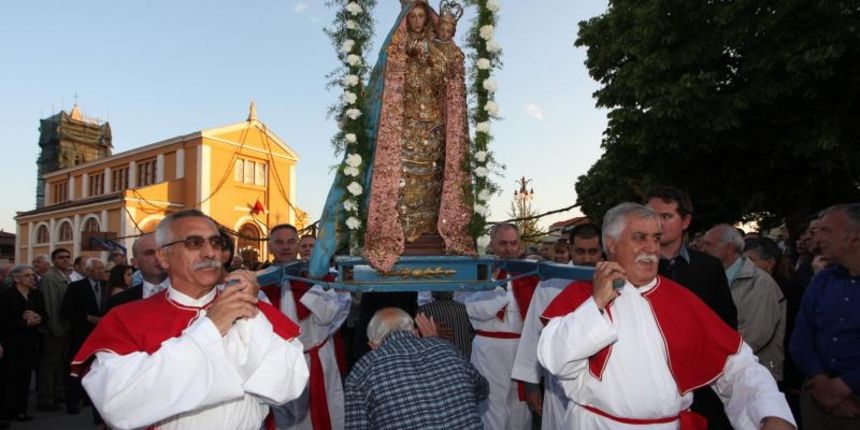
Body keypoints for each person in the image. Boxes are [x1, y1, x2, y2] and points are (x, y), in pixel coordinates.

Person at [537, 203, 796, 429]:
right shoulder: (581, 295)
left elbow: (738, 365)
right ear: (611, 245)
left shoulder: (682, 301)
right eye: (639, 237)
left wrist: (770, 412)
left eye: (656, 238)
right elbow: (553, 358)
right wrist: (596, 304)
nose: (651, 248)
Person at [71, 209, 309, 430]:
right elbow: (118, 404)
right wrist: (211, 329)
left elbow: (288, 384)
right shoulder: (125, 318)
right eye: (194, 242)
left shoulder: (255, 310)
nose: (210, 252)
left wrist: (247, 319)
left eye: (216, 242)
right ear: (163, 257)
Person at [310, 0, 473, 276]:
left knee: (432, 177)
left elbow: (449, 74)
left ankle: (431, 230)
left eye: (423, 16)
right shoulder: (396, 49)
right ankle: (395, 228)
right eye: (415, 16)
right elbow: (381, 90)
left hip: (432, 124)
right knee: (402, 179)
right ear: (406, 19)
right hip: (402, 126)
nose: (419, 21)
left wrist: (443, 53)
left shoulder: (440, 49)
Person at [645, 186, 739, 429]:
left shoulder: (709, 268)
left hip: (702, 385)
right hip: (646, 382)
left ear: (685, 221)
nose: (656, 223)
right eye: (651, 216)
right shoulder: (634, 267)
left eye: (666, 216)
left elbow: (726, 323)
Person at [258, 223, 350, 430]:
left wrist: (311, 284)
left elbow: (334, 314)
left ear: (298, 245)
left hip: (317, 357)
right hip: (278, 362)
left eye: (291, 241)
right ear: (270, 247)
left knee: (324, 411)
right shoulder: (259, 281)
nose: (285, 247)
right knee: (283, 416)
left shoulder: (321, 275)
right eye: (279, 242)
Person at [512, 223, 603, 429]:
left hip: (602, 381)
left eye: (593, 252)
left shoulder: (612, 281)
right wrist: (532, 384)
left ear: (602, 249)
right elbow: (533, 333)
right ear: (570, 250)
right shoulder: (550, 283)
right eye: (580, 251)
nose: (587, 258)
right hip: (559, 386)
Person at [344, 308, 488, 429]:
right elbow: (483, 390)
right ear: (415, 332)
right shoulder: (447, 348)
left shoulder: (363, 370)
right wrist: (437, 344)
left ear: (373, 345)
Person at [458, 223, 537, 429]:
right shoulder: (479, 273)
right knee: (492, 405)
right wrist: (499, 287)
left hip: (522, 348)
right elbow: (474, 310)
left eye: (513, 243)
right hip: (489, 349)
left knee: (520, 406)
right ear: (492, 245)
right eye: (503, 243)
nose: (509, 249)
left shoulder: (530, 275)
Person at [790, 203, 860, 429]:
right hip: (816, 396)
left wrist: (845, 384)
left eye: (826, 231)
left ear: (854, 238)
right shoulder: (823, 279)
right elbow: (801, 336)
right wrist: (820, 382)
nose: (817, 239)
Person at [702, 224, 787, 382]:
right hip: (723, 372)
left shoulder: (760, 283)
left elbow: (754, 336)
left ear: (729, 247)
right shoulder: (710, 278)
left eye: (709, 244)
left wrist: (709, 358)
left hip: (754, 376)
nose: (703, 249)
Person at [62, 257, 109, 415]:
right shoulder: (76, 287)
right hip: (81, 333)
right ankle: (73, 401)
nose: (103, 272)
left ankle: (90, 398)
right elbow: (66, 310)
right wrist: (88, 317)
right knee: (77, 366)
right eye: (99, 269)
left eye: (103, 268)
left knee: (96, 367)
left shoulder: (106, 286)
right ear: (88, 272)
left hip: (102, 334)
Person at [0, 265, 46, 424]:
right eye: (27, 275)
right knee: (9, 378)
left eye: (33, 275)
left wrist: (37, 318)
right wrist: (23, 321)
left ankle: (21, 410)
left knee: (25, 378)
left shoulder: (37, 295)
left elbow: (44, 316)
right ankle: (5, 414)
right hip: (12, 343)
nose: (32, 278)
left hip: (31, 342)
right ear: (16, 278)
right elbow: (3, 320)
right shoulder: (6, 296)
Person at [36, 247, 72, 411]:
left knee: (60, 362)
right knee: (50, 364)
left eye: (67, 257)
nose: (65, 260)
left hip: (64, 327)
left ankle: (58, 393)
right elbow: (50, 305)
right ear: (53, 261)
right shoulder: (50, 278)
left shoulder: (65, 277)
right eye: (60, 257)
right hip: (55, 328)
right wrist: (54, 328)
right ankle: (46, 398)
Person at [105, 233, 170, 312]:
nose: (158, 257)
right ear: (135, 263)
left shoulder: (187, 294)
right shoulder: (118, 303)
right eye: (149, 253)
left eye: (162, 251)